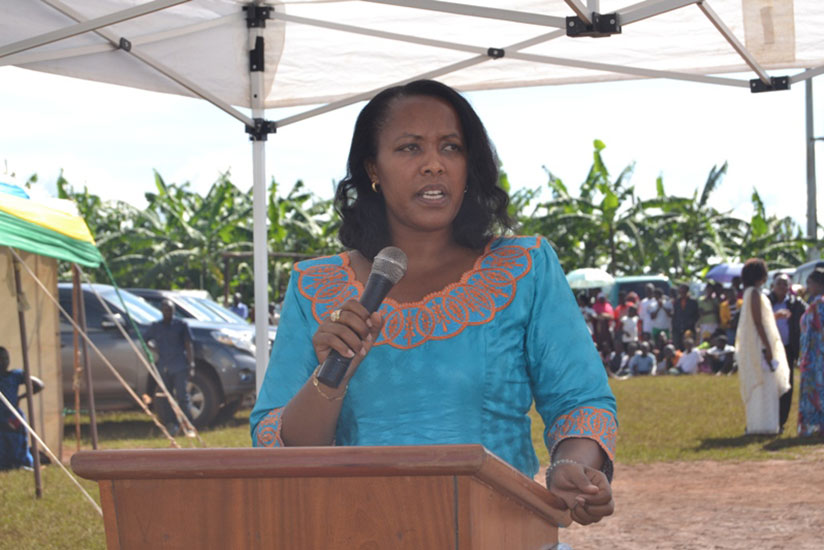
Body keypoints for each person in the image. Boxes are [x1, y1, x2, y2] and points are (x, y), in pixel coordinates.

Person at [250, 80, 617, 525]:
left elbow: (580, 401)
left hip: (498, 532)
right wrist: (331, 380)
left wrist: (571, 468)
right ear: (373, 169)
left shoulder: (525, 267)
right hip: (361, 532)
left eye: (451, 147)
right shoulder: (316, 286)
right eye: (409, 148)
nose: (433, 165)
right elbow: (279, 444)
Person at [734, 259, 791, 435]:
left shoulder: (752, 293)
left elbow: (760, 319)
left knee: (766, 385)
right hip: (760, 345)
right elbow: (758, 323)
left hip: (759, 344)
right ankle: (762, 425)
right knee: (764, 384)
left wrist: (774, 316)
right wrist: (767, 348)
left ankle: (765, 424)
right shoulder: (754, 294)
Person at [144, 300, 195, 435]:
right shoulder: (156, 326)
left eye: (171, 310)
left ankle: (187, 424)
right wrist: (154, 349)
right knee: (165, 397)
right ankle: (170, 424)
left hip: (179, 365)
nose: (168, 312)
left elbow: (188, 344)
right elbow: (145, 339)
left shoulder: (181, 325)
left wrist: (191, 364)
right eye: (166, 310)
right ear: (162, 311)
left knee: (182, 396)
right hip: (164, 365)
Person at [768, 273, 806, 432]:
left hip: (788, 349)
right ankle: (767, 418)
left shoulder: (796, 304)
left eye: (785, 284)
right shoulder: (766, 302)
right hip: (769, 349)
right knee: (769, 384)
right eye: (779, 284)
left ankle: (781, 421)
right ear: (773, 286)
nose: (782, 287)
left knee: (786, 385)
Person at [0, 346, 44, 470]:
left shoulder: (15, 375)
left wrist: (20, 397)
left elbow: (39, 384)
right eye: (0, 359)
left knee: (17, 440)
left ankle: (20, 463)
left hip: (12, 415)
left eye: (5, 358)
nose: (3, 362)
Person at [797, 267, 824, 436]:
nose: (807, 286)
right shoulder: (815, 303)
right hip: (814, 354)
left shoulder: (819, 304)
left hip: (816, 355)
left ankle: (815, 426)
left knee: (815, 389)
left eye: (809, 283)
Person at [672, 284, 698, 350]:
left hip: (689, 328)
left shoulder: (693, 302)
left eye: (684, 292)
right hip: (678, 328)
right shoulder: (677, 302)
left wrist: (691, 322)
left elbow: (696, 315)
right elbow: (675, 315)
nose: (682, 293)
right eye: (680, 292)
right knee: (678, 346)